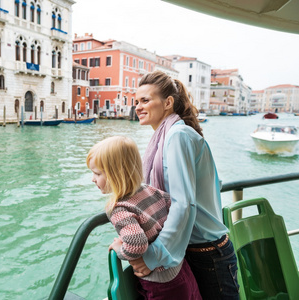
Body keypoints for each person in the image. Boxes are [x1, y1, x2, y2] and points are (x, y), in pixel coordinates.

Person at [129, 70, 239, 299]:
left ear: (168, 102)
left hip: (208, 254)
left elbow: (183, 204)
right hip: (198, 251)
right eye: (136, 101)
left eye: (145, 100)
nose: (137, 107)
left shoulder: (177, 136)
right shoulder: (169, 136)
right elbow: (211, 184)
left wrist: (153, 256)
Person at [87, 136, 202, 299]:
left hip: (161, 283)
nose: (93, 179)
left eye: (97, 173)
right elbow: (171, 205)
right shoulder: (149, 190)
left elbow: (136, 244)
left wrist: (120, 249)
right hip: (179, 268)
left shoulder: (119, 209)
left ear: (116, 174)